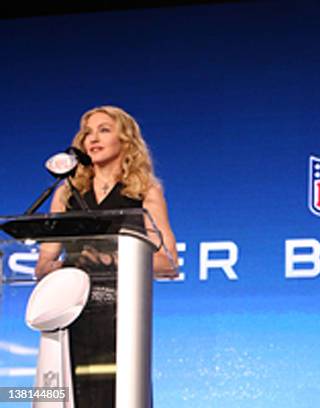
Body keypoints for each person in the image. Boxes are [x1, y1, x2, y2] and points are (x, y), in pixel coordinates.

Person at [33, 105, 179, 407]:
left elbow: (168, 262)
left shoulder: (144, 191)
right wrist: (60, 267)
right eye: (87, 132)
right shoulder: (66, 192)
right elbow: (43, 264)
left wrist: (118, 258)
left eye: (104, 130)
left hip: (121, 317)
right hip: (70, 316)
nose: (92, 139)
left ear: (125, 140)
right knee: (65, 395)